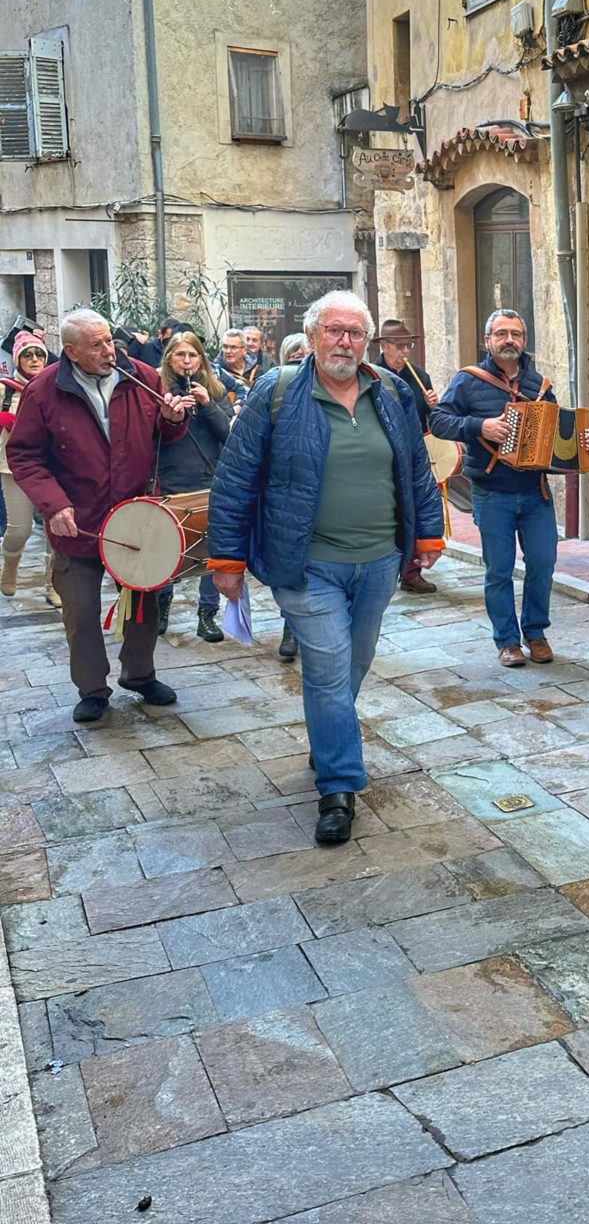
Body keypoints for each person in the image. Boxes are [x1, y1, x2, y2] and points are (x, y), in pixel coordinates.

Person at [206, 290, 445, 845]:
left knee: (355, 662)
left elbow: (415, 465)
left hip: (380, 561)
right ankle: (338, 787)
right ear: (312, 337)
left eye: (355, 333)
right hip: (306, 563)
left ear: (367, 342)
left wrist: (428, 533)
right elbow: (236, 479)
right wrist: (227, 559)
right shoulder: (279, 391)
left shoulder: (390, 391)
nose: (345, 341)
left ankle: (327, 731)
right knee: (330, 666)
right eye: (335, 331)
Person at [7, 310, 191, 723]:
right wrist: (54, 504)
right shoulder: (43, 391)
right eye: (96, 345)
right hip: (78, 519)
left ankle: (140, 675)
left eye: (109, 340)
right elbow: (23, 455)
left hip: (135, 515)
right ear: (70, 351)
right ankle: (92, 689)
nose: (109, 350)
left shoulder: (140, 375)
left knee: (144, 601)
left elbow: (168, 433)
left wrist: (175, 417)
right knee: (81, 609)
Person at [430, 309, 589, 667]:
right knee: (499, 569)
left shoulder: (539, 386)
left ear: (524, 341)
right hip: (491, 493)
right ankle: (507, 641)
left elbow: (556, 437)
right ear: (487, 341)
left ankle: (535, 632)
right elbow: (439, 420)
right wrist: (480, 426)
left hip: (535, 493)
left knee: (543, 562)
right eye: (502, 334)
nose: (510, 340)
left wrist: (583, 443)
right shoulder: (468, 381)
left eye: (516, 334)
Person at [155, 332, 234, 642]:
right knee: (165, 550)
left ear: (202, 359)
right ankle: (162, 606)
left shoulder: (215, 389)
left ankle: (207, 615)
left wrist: (208, 404)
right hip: (170, 480)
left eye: (192, 355)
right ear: (169, 360)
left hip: (208, 480)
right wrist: (169, 413)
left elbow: (229, 435)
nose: (187, 361)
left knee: (208, 552)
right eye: (180, 355)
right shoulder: (156, 389)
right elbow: (151, 436)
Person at [378, 318, 441, 596]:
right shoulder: (371, 374)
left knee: (414, 510)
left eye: (408, 345)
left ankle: (411, 572)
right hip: (382, 454)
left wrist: (435, 408)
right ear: (384, 346)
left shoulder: (419, 376)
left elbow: (431, 424)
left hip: (412, 455)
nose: (405, 351)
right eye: (400, 346)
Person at [0, 332, 59, 605]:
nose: (34, 360)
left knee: (57, 528)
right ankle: (10, 565)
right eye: (28, 355)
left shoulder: (55, 385)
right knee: (19, 530)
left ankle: (53, 584)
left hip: (52, 466)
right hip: (13, 467)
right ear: (17, 359)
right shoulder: (5, 388)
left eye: (39, 354)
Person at [273, 333, 308, 661]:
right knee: (292, 571)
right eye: (294, 356)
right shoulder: (276, 392)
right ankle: (290, 628)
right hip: (287, 499)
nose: (301, 360)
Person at [213, 328, 255, 398]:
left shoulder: (256, 370)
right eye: (225, 347)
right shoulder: (216, 373)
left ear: (244, 350)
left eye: (233, 347)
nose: (228, 351)